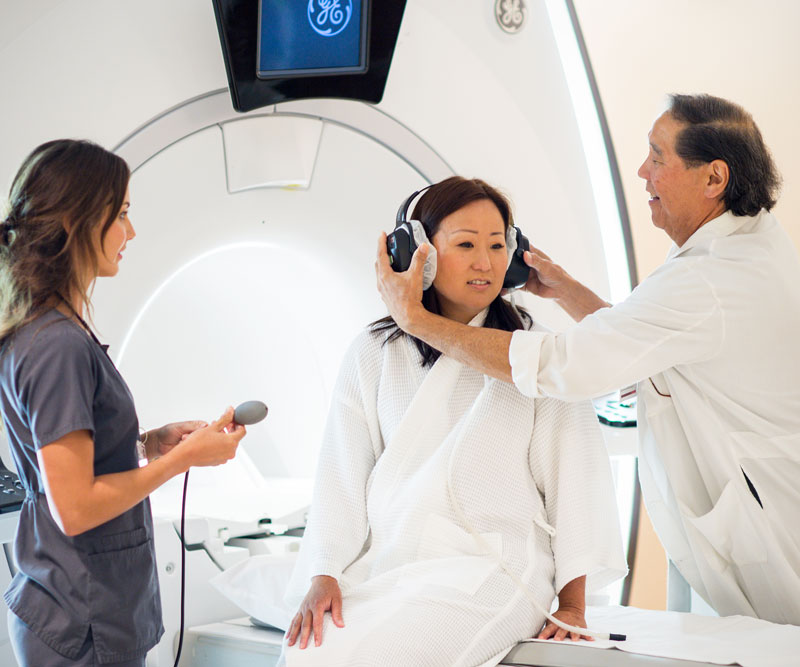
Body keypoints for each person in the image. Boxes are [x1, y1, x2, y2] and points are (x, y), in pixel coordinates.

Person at [375, 94, 800, 624]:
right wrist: (569, 293)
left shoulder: (708, 277)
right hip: (749, 503)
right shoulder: (740, 245)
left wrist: (416, 320)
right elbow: (654, 341)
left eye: (657, 158)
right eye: (465, 245)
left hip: (765, 523)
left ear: (714, 178)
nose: (643, 172)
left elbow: (560, 366)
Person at [281, 177, 626, 667]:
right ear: (418, 252)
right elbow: (341, 472)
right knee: (306, 655)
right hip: (389, 563)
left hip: (495, 567)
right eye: (465, 244)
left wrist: (571, 604)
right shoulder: (374, 351)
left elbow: (573, 477)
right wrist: (324, 572)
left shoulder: (537, 354)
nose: (485, 262)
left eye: (497, 245)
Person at [0, 139, 247, 666]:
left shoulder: (57, 331)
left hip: (85, 605)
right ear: (76, 221)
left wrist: (146, 444)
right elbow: (76, 507)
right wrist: (184, 459)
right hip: (78, 617)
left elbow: (69, 455)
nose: (131, 232)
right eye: (123, 215)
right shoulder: (56, 345)